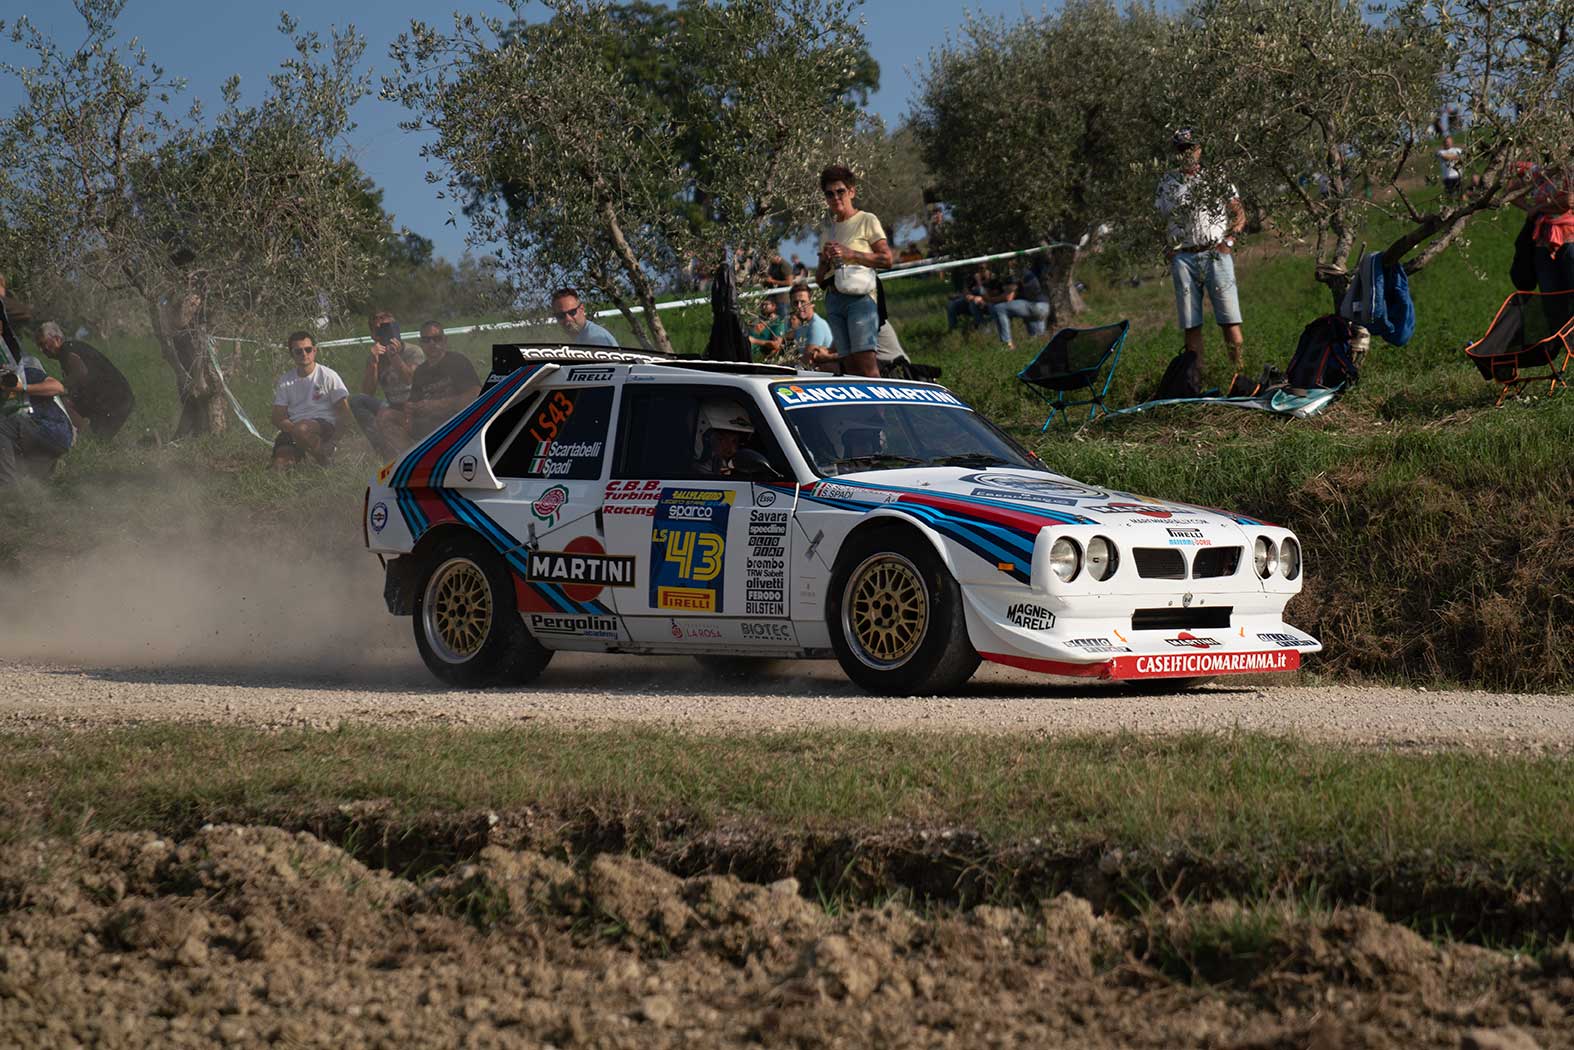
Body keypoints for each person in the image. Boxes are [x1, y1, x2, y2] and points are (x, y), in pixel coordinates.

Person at [1155, 127, 1247, 372]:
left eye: (1191, 148)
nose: (1187, 153)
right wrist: (1168, 249)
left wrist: (1229, 241)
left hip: (1215, 252)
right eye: (1181, 149)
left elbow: (1238, 213)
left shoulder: (1215, 177)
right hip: (1183, 256)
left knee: (1229, 319)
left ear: (1199, 149)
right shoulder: (1167, 183)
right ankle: (1197, 379)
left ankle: (1238, 374)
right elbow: (1156, 219)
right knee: (1191, 324)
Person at [814, 164, 894, 378]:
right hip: (833, 298)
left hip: (860, 298)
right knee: (849, 368)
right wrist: (825, 263)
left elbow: (887, 259)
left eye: (840, 191)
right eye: (829, 194)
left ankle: (882, 412)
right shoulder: (827, 231)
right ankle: (865, 412)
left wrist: (852, 255)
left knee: (867, 365)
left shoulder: (866, 220)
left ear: (851, 191)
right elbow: (820, 280)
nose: (835, 197)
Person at [34, 321, 135, 441]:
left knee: (60, 401)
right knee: (103, 441)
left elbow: (80, 371)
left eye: (44, 343)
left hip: (114, 400)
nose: (42, 349)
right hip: (116, 398)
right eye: (39, 346)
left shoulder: (66, 349)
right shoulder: (72, 349)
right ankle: (152, 442)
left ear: (56, 339)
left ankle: (83, 439)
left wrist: (59, 387)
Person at [271, 331, 351, 471]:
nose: (304, 354)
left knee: (303, 429)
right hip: (293, 428)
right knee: (279, 467)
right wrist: (294, 431)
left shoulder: (329, 376)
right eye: (298, 351)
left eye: (308, 349)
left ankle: (325, 461)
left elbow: (344, 412)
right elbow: (278, 417)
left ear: (315, 350)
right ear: (292, 354)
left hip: (323, 425)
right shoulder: (285, 380)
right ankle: (305, 458)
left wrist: (334, 441)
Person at [349, 311, 425, 459]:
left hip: (416, 406)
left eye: (388, 328)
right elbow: (367, 392)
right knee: (357, 400)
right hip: (393, 405)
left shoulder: (413, 351)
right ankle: (382, 450)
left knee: (387, 413)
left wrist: (394, 356)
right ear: (373, 335)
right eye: (379, 330)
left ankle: (407, 450)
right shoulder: (376, 356)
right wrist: (373, 363)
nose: (385, 334)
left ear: (396, 329)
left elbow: (410, 379)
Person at [0, 342, 74, 488]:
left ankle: (6, 488)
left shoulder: (21, 373)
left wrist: (23, 387)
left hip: (50, 429)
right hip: (40, 439)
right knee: (33, 486)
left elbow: (57, 387)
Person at [1511, 160, 1574, 327]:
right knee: (1552, 301)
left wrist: (1538, 209)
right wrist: (1530, 208)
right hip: (1543, 245)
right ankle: (1561, 344)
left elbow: (1568, 201)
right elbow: (1510, 191)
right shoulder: (1538, 172)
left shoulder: (1570, 169)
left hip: (1570, 241)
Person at [401, 323, 482, 438]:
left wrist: (437, 405)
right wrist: (409, 411)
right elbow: (413, 402)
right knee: (388, 416)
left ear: (444, 340)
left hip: (460, 423)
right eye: (426, 340)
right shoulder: (420, 372)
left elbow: (476, 395)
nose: (432, 343)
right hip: (429, 428)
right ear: (420, 343)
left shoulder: (457, 361)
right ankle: (407, 456)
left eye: (437, 339)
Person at [989, 259, 1055, 351]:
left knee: (999, 308)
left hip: (1035, 306)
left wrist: (987, 299)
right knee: (1038, 343)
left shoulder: (1021, 274)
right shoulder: (1028, 274)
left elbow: (1008, 298)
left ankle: (1007, 344)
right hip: (1044, 308)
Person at [694, 398, 755, 476]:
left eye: (735, 441)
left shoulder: (724, 466)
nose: (732, 450)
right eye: (721, 439)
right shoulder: (690, 473)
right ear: (705, 438)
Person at [786, 287, 834, 369]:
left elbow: (808, 360)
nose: (799, 306)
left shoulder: (816, 325)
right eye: (795, 303)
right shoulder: (802, 325)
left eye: (803, 302)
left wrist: (783, 365)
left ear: (812, 303)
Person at [551, 288, 617, 347]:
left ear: (582, 309)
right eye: (561, 315)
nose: (568, 318)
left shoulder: (594, 338)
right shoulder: (581, 336)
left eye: (572, 312)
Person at [945, 265, 991, 332]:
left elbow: (989, 293)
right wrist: (974, 297)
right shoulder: (970, 278)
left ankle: (983, 328)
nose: (979, 271)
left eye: (982, 268)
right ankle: (953, 330)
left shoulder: (990, 276)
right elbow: (966, 293)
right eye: (978, 268)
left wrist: (979, 281)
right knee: (951, 305)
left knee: (973, 304)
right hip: (972, 300)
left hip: (989, 302)